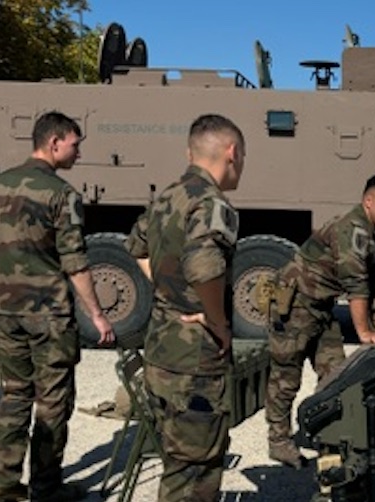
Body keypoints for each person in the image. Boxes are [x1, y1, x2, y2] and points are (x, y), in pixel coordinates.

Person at [0, 111, 115, 502]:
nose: (78, 152)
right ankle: (46, 488)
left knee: (14, 396)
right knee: (53, 404)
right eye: (75, 144)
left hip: (7, 312)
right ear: (54, 142)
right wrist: (97, 314)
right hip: (50, 316)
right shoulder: (62, 195)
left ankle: (0, 486)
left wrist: (10, 284)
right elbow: (75, 262)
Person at [125, 114, 245, 501]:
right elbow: (204, 266)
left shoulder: (166, 196)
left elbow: (137, 247)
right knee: (195, 472)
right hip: (195, 359)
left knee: (178, 463)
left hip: (160, 349)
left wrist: (169, 292)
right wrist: (218, 322)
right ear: (232, 152)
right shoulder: (212, 204)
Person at [266, 175, 375, 467]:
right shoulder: (351, 230)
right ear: (368, 201)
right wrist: (364, 331)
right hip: (295, 306)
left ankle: (326, 433)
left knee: (335, 373)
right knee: (286, 378)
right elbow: (356, 284)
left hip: (322, 307)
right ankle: (278, 441)